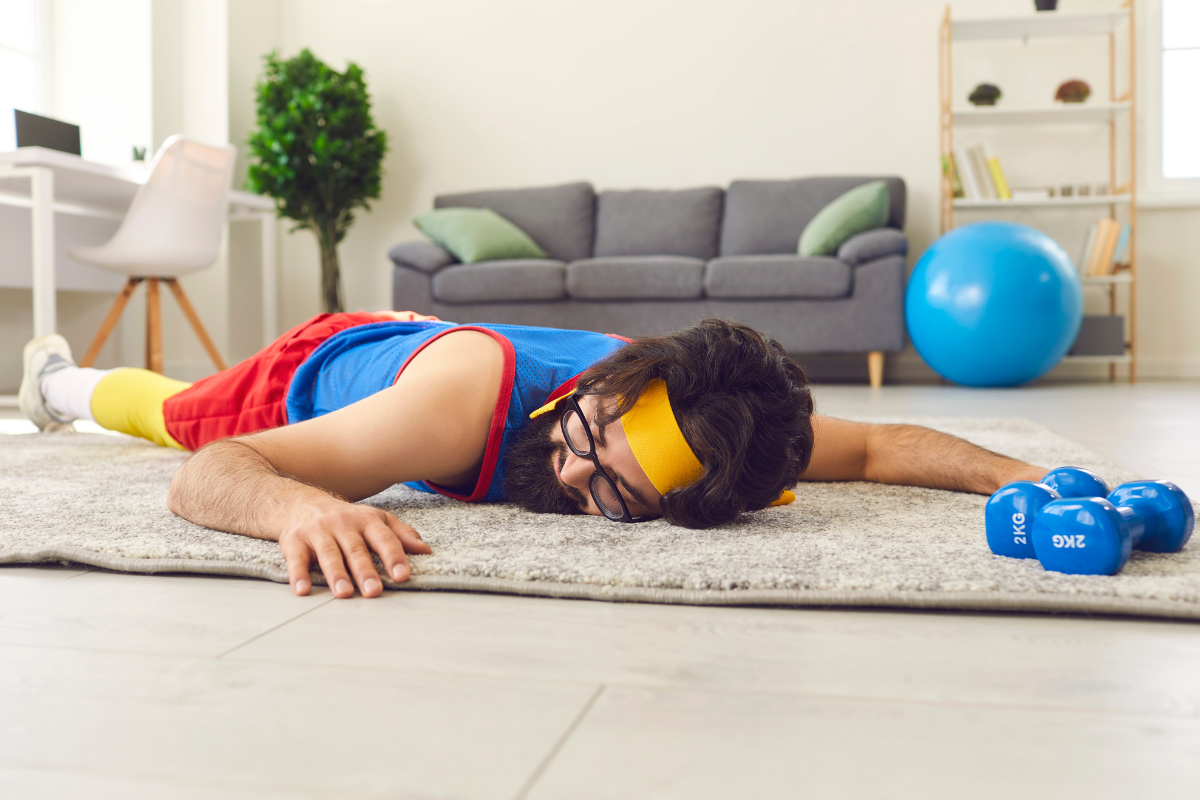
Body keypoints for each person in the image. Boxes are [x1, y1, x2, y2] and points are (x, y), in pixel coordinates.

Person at [20, 312, 1047, 599]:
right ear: (608, 382)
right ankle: (60, 382)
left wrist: (1025, 479)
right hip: (320, 370)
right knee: (180, 414)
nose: (568, 474)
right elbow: (209, 475)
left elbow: (875, 450)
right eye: (584, 438)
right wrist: (299, 509)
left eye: (613, 497)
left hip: (422, 341)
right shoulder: (459, 411)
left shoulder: (711, 431)